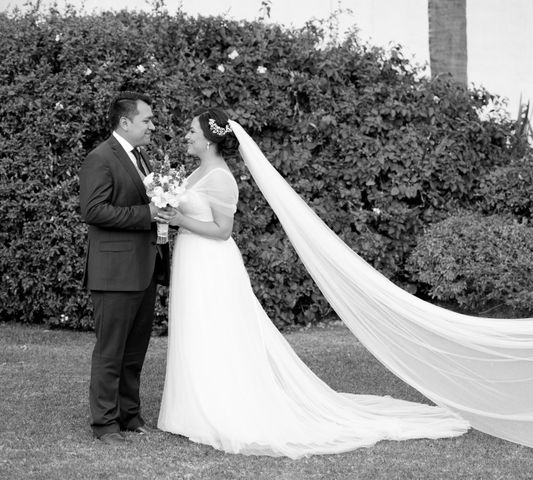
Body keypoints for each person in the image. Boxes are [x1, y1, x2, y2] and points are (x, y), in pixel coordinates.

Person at [155, 107, 468, 458]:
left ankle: (217, 408)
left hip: (211, 263)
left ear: (210, 139)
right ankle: (192, 407)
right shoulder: (198, 171)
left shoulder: (222, 178)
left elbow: (222, 230)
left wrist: (179, 217)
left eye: (192, 132)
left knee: (217, 332)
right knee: (196, 330)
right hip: (192, 261)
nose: (187, 136)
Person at [79, 91, 170, 445]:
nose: (152, 125)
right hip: (114, 272)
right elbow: (93, 210)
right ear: (125, 122)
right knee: (110, 350)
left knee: (134, 350)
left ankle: (129, 416)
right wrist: (146, 214)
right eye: (147, 120)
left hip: (144, 267)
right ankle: (104, 424)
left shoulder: (141, 157)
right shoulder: (100, 158)